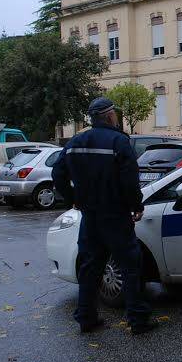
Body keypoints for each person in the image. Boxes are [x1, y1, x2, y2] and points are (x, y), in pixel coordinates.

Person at [52, 97, 155, 335]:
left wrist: (73, 198)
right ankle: (137, 319)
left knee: (90, 267)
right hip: (116, 214)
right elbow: (129, 180)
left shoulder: (75, 141)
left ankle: (86, 318)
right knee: (130, 264)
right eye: (114, 114)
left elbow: (58, 173)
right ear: (109, 116)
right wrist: (135, 205)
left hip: (89, 215)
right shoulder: (119, 142)